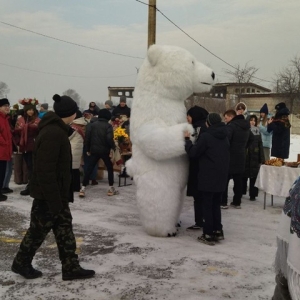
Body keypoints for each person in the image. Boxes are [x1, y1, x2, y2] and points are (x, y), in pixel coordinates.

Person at [12, 94, 95, 280]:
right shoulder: (53, 133)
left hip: (57, 194)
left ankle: (70, 267)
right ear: (71, 113)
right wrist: (54, 200)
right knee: (37, 231)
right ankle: (21, 262)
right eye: (75, 111)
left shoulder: (57, 130)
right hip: (48, 195)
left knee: (64, 229)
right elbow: (45, 170)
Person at [185, 113, 230, 245]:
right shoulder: (225, 136)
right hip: (221, 176)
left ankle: (208, 233)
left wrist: (187, 141)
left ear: (209, 123)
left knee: (207, 205)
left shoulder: (206, 136)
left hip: (208, 176)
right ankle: (217, 230)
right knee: (216, 204)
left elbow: (194, 153)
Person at [79, 109, 118, 198]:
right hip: (105, 151)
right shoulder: (108, 126)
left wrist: (88, 149)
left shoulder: (91, 125)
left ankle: (83, 188)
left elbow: (87, 139)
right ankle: (110, 188)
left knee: (89, 168)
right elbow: (109, 138)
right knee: (109, 168)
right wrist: (113, 147)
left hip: (94, 150)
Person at [221, 109, 253, 209]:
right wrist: (244, 147)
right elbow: (251, 139)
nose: (225, 120)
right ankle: (237, 202)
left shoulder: (231, 126)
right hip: (241, 156)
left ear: (231, 117)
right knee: (238, 180)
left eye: (226, 118)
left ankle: (223, 202)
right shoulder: (246, 127)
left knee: (225, 180)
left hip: (230, 156)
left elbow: (226, 140)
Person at [185, 106, 209, 231]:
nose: (187, 118)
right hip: (204, 167)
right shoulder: (205, 126)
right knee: (201, 196)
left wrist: (186, 140)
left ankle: (200, 221)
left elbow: (195, 149)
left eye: (188, 116)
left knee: (199, 196)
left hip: (199, 167)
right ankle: (202, 220)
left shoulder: (198, 129)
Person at [14, 99, 40, 196]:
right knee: (29, 167)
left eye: (32, 110)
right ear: (25, 110)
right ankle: (31, 185)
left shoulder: (37, 121)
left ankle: (32, 186)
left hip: (34, 147)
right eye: (29, 110)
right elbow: (16, 133)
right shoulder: (20, 120)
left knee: (33, 167)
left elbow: (40, 133)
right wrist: (18, 142)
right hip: (24, 147)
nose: (30, 111)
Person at [242, 115, 265, 201]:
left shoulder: (258, 131)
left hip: (255, 157)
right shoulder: (244, 131)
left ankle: (253, 194)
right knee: (243, 176)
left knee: (254, 177)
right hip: (246, 156)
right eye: (251, 120)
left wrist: (262, 158)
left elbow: (260, 145)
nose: (252, 122)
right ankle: (241, 191)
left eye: (254, 121)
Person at [69, 114, 87, 192]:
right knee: (75, 169)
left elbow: (68, 137)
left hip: (72, 150)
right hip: (77, 150)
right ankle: (76, 186)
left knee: (71, 170)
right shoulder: (82, 127)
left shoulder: (73, 128)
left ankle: (73, 187)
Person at [0, 98, 13, 202]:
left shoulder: (5, 119)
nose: (7, 108)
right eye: (5, 106)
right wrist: (5, 143)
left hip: (4, 151)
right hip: (1, 150)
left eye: (8, 106)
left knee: (2, 172)